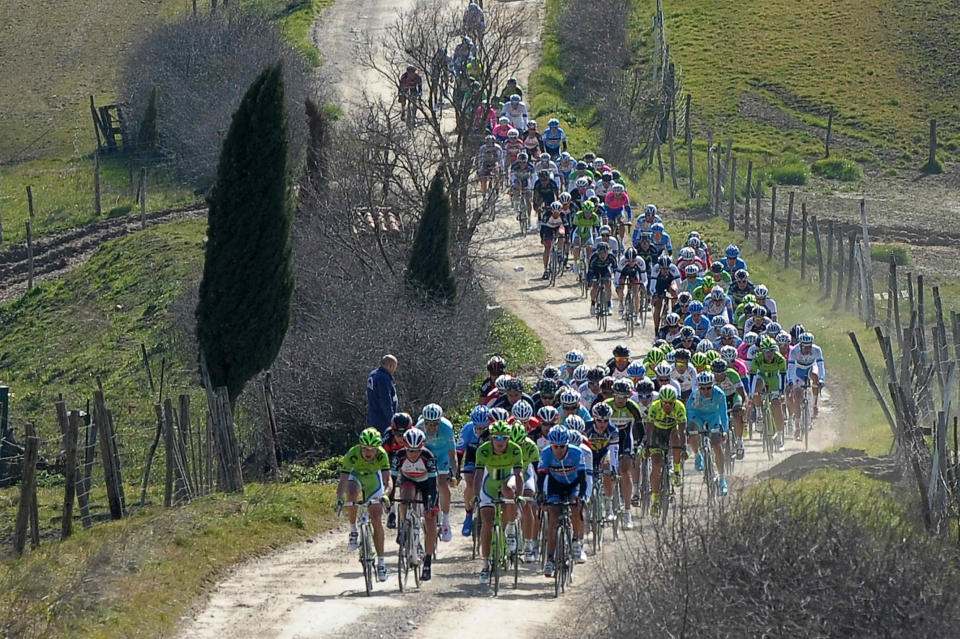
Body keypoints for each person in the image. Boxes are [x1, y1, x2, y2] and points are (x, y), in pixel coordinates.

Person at [337, 428, 393, 582]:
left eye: (372, 449)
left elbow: (388, 481)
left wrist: (385, 496)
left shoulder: (382, 455)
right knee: (352, 493)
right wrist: (339, 498)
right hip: (356, 477)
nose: (368, 453)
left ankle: (381, 563)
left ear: (377, 449)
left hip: (374, 480)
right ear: (360, 446)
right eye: (365, 449)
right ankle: (353, 529)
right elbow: (343, 480)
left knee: (376, 520)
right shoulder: (352, 454)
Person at [473, 421, 525, 584]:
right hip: (489, 486)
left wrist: (520, 496)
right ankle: (485, 564)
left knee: (509, 491)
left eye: (504, 438)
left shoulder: (515, 450)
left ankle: (510, 529)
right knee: (487, 523)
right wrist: (476, 495)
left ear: (509, 439)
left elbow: (519, 476)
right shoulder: (483, 450)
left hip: (507, 481)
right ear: (491, 438)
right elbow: (479, 475)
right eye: (496, 437)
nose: (500, 441)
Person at [538, 425, 587, 577]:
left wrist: (582, 496)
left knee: (575, 507)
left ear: (567, 444)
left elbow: (583, 478)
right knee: (553, 517)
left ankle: (576, 541)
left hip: (573, 485)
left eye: (562, 446)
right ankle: (550, 559)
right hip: (555, 486)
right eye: (555, 446)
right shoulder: (546, 454)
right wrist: (541, 495)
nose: (558, 450)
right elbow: (541, 477)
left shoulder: (576, 452)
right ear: (550, 444)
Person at [392, 428, 439, 580]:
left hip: (427, 485)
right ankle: (404, 524)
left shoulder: (428, 457)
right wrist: (391, 505)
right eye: (410, 450)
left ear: (422, 448)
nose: (413, 454)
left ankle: (427, 562)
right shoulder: (398, 457)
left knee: (430, 517)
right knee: (405, 497)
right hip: (409, 481)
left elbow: (433, 487)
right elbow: (391, 482)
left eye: (417, 450)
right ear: (404, 447)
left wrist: (430, 504)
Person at [603, 379, 644, 529]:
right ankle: (608, 504)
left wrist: (639, 446)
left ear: (628, 396)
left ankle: (627, 513)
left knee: (625, 471)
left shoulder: (632, 406)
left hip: (626, 439)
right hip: (608, 440)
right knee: (608, 470)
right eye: (618, 396)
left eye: (624, 397)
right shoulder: (606, 405)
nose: (621, 400)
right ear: (613, 395)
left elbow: (640, 429)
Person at [416, 404, 458, 541]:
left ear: (440, 422)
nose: (431, 427)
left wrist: (455, 473)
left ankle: (446, 521)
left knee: (442, 484)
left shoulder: (446, 428)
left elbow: (452, 454)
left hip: (442, 456)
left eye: (435, 424)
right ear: (424, 421)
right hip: (426, 455)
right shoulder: (418, 428)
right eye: (428, 424)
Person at [643, 386, 686, 517]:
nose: (668, 406)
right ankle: (655, 500)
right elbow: (649, 428)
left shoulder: (679, 407)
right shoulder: (655, 407)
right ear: (661, 401)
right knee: (656, 465)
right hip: (657, 432)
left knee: (676, 437)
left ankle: (677, 471)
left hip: (672, 430)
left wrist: (682, 447)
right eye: (665, 403)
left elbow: (682, 430)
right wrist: (648, 446)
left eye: (670, 403)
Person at [686, 371, 730, 495]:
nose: (706, 391)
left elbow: (723, 414)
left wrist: (725, 431)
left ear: (713, 385)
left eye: (708, 388)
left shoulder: (719, 394)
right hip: (698, 415)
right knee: (692, 431)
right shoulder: (694, 396)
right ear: (699, 387)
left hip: (713, 417)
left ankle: (722, 478)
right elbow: (689, 413)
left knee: (716, 444)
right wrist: (689, 431)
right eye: (703, 388)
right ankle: (697, 455)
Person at [750, 337, 788, 450]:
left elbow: (782, 377)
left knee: (776, 405)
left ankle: (780, 436)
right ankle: (759, 415)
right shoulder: (757, 359)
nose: (769, 354)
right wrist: (751, 393)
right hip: (762, 378)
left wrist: (781, 393)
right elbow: (752, 376)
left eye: (771, 350)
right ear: (762, 351)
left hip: (774, 381)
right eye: (766, 351)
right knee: (757, 387)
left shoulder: (780, 359)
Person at [458, 405, 491, 536]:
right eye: (478, 428)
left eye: (484, 428)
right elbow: (459, 452)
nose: (481, 431)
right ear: (473, 425)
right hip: (472, 456)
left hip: (488, 457)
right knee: (471, 484)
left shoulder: (492, 430)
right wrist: (456, 472)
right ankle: (468, 514)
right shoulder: (467, 429)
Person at [787, 332, 826, 436]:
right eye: (805, 347)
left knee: (815, 375)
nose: (807, 350)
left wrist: (821, 379)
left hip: (810, 368)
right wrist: (790, 379)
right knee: (797, 398)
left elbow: (820, 366)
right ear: (800, 345)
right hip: (798, 371)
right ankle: (797, 425)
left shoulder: (817, 350)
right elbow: (790, 368)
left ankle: (814, 406)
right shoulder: (794, 351)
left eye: (809, 347)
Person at [366, 355, 398, 434]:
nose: (394, 370)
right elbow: (386, 401)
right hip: (381, 420)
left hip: (372, 416)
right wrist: (391, 420)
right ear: (391, 366)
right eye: (394, 367)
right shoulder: (383, 378)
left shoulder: (373, 374)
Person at [588, 241, 617, 316]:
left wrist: (616, 280)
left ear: (608, 252)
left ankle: (609, 305)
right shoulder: (594, 257)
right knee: (595, 286)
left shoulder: (611, 257)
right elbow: (590, 270)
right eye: (600, 253)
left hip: (605, 269)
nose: (602, 255)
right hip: (595, 270)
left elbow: (616, 269)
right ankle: (593, 304)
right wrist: (589, 281)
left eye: (604, 253)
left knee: (607, 284)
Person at [540, 201, 566, 280]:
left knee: (562, 234)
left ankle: (559, 252)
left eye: (557, 212)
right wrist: (542, 238)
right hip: (548, 229)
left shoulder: (562, 215)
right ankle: (546, 269)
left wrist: (567, 238)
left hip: (558, 228)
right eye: (554, 212)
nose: (556, 214)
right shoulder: (546, 215)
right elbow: (542, 229)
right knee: (547, 248)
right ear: (551, 211)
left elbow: (567, 228)